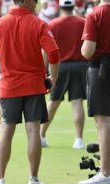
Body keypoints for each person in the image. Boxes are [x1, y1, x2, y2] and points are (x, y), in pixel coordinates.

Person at [0, 0, 60, 184]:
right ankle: (33, 179)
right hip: (34, 85)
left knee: (6, 131)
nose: (37, 4)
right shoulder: (38, 23)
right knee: (34, 130)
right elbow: (53, 51)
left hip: (9, 85)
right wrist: (54, 76)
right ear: (27, 2)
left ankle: (0, 180)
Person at [78, 0, 110, 184]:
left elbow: (88, 51)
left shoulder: (95, 14)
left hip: (101, 71)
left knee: (103, 122)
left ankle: (105, 173)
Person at [40, 0, 88, 149]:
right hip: (81, 66)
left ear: (60, 6)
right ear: (73, 6)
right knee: (77, 102)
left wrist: (44, 69)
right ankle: (79, 139)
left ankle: (41, 136)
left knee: (53, 102)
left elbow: (46, 50)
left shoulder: (53, 24)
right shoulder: (83, 22)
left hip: (59, 67)